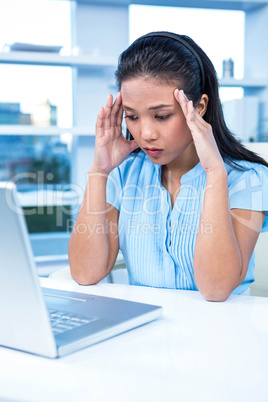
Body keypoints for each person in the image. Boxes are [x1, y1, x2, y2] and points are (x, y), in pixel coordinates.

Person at [68, 31, 268, 301]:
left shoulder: (248, 179)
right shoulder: (123, 174)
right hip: (144, 330)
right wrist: (99, 171)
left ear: (198, 108)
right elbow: (84, 273)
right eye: (132, 116)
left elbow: (216, 289)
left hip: (222, 333)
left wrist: (215, 173)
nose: (146, 132)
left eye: (161, 116)